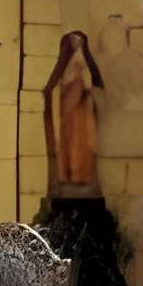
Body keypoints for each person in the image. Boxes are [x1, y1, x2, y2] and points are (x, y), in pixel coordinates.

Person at [43, 30, 103, 195]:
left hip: (84, 111)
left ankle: (82, 176)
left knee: (82, 146)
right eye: (75, 42)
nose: (78, 45)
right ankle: (70, 176)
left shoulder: (83, 61)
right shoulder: (67, 64)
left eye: (80, 42)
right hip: (71, 113)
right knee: (71, 144)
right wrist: (76, 85)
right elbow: (59, 88)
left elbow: (94, 83)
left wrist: (85, 89)